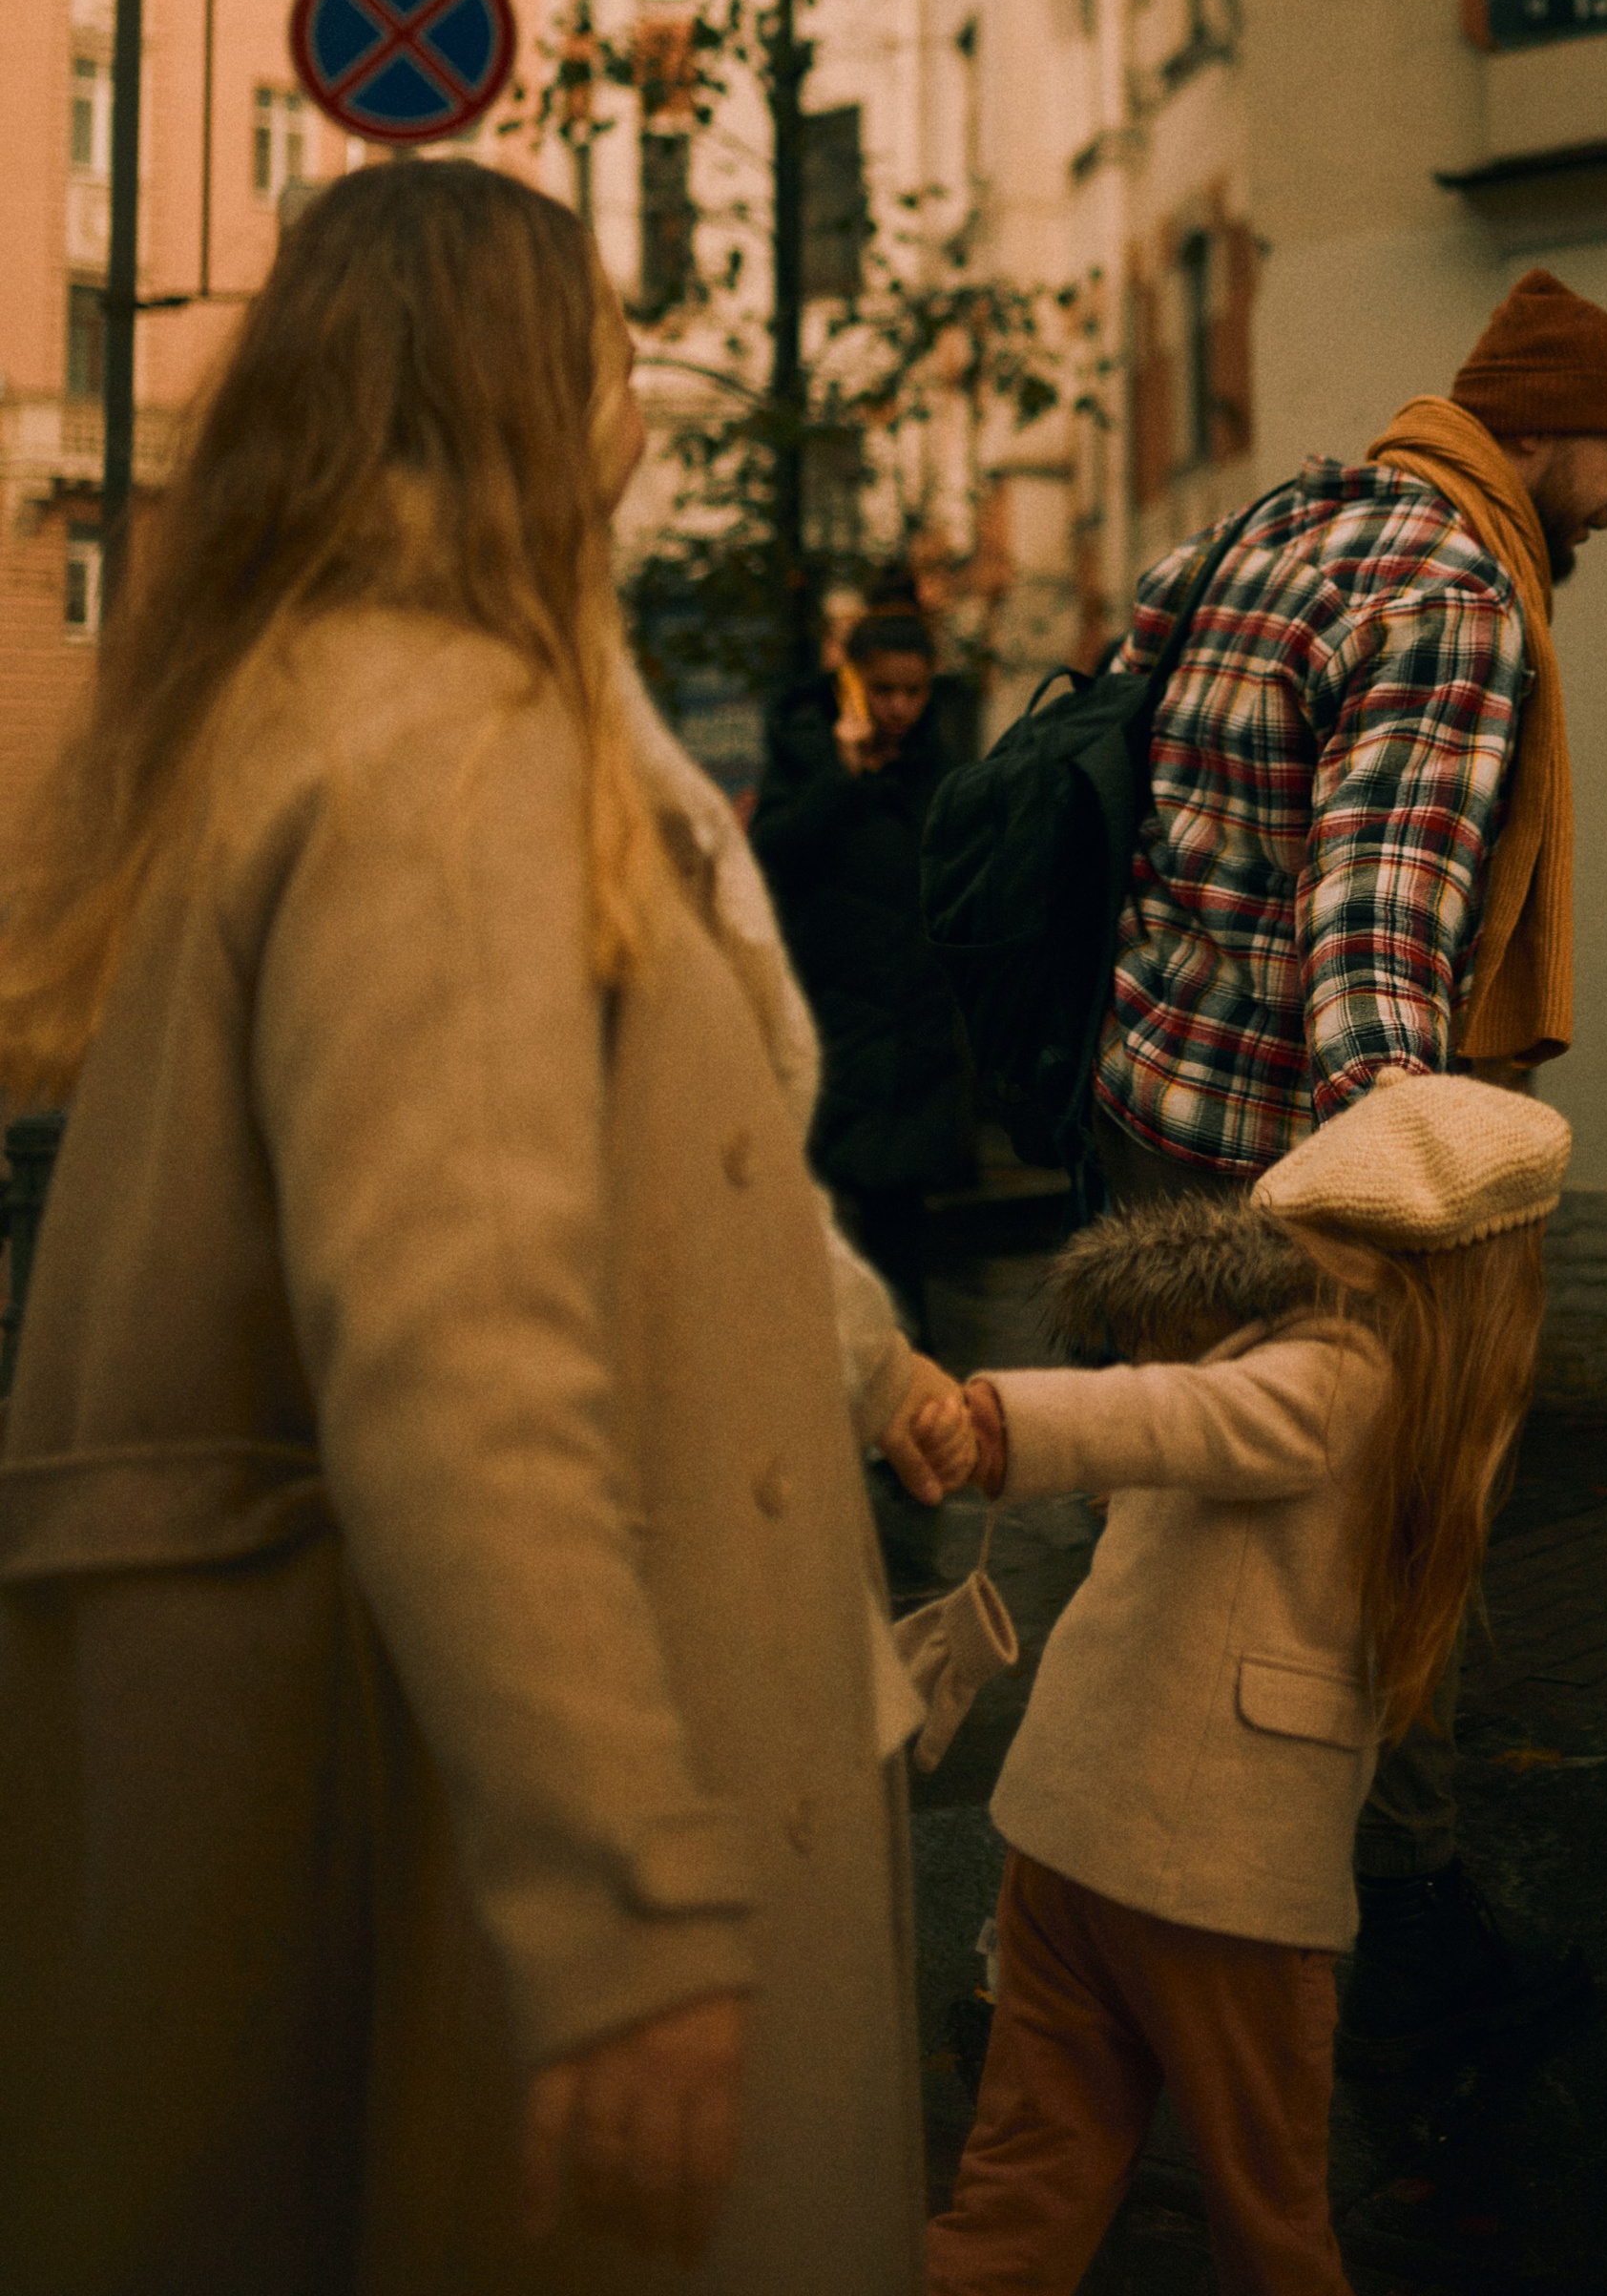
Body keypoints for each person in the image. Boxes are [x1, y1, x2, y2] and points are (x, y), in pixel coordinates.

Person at [0, 159, 969, 2295]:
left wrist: (865, 1360)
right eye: (614, 355)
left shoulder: (316, 705)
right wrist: (626, 1907)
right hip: (506, 1785)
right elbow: (458, 1353)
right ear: (528, 390)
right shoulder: (446, 743)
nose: (642, 404)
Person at [1091, 263, 1607, 2064]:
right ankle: (1389, 1956)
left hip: (1147, 1120)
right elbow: (1378, 922)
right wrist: (1401, 1196)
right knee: (1363, 1561)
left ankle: (1063, 1970)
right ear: (1552, 428)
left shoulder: (1271, 530)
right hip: (1294, 1170)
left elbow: (1143, 781)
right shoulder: (1456, 597)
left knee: (1165, 1560)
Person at [920, 1076, 1571, 2296]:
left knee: (1021, 2190)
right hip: (1218, 1879)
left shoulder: (1268, 1338)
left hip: (1066, 1838)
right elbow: (1175, 1418)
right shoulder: (1348, 1381)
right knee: (1273, 2225)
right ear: (1483, 1276)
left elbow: (1188, 1403)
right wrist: (1006, 1425)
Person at [754, 590, 972, 1342]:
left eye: (914, 691)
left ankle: (908, 1394)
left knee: (901, 1235)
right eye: (883, 690)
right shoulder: (809, 757)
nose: (901, 708)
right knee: (830, 1228)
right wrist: (843, 774)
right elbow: (771, 855)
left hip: (911, 1031)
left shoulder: (938, 768)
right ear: (851, 685)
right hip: (833, 1023)